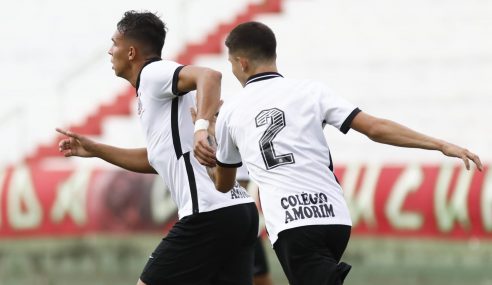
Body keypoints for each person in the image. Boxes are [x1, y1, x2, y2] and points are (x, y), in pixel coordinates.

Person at [195, 22, 483, 285]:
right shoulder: (311, 91)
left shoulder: (231, 110)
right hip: (335, 219)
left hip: (292, 222)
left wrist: (208, 142)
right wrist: (440, 144)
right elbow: (375, 127)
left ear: (241, 63)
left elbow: (223, 184)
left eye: (232, 63)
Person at [56, 11, 258, 285]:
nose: (109, 50)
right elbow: (156, 159)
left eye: (114, 43)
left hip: (208, 213)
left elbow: (209, 76)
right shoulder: (154, 94)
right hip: (238, 210)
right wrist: (95, 149)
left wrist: (202, 127)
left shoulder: (153, 73)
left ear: (130, 52)